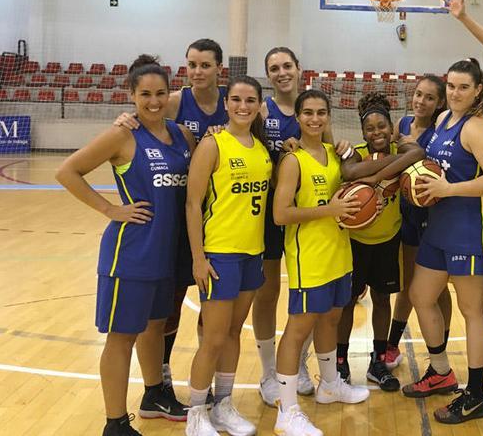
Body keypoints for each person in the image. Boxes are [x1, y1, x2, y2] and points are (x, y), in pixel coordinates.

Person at [56, 55, 195, 435]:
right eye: (145, 94)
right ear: (131, 95)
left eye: (161, 94)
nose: (153, 102)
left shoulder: (183, 135)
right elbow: (67, 171)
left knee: (153, 327)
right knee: (122, 337)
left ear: (171, 94)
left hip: (168, 253)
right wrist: (109, 208)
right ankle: (114, 422)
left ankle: (154, 395)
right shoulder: (123, 135)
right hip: (131, 253)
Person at [114, 38, 230, 396]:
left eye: (204, 65)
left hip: (220, 214)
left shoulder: (234, 102)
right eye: (191, 64)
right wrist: (124, 118)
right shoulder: (176, 101)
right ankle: (161, 372)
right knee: (171, 302)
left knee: (211, 305)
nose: (197, 71)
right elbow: (145, 123)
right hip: (180, 212)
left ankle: (205, 377)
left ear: (218, 69)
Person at [402, 58, 483, 426]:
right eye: (451, 86)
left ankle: (476, 394)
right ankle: (441, 371)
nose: (455, 92)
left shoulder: (477, 128)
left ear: (478, 90)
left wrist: (449, 189)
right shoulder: (444, 120)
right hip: (438, 228)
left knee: (472, 310)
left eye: (463, 87)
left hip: (468, 230)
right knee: (420, 295)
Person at [272, 90, 370, 436]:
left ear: (329, 116)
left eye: (321, 113)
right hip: (308, 258)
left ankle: (329, 385)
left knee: (331, 318)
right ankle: (287, 409)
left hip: (339, 252)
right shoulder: (293, 160)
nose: (315, 119)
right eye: (308, 113)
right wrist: (329, 210)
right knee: (298, 329)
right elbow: (281, 214)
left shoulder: (334, 154)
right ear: (298, 118)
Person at [254, 46, 347, 405]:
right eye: (274, 67)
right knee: (267, 293)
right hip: (268, 210)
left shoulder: (314, 110)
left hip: (309, 219)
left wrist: (339, 145)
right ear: (268, 74)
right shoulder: (262, 110)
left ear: (298, 69)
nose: (281, 72)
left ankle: (302, 367)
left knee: (311, 299)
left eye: (286, 65)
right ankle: (268, 372)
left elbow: (327, 157)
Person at [184, 76, 272, 436]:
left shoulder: (262, 148)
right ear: (226, 103)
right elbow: (192, 203)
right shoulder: (212, 145)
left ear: (258, 106)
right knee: (215, 337)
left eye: (250, 100)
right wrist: (198, 257)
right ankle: (195, 413)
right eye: (236, 99)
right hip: (220, 254)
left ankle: (222, 404)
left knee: (235, 332)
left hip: (253, 253)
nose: (242, 106)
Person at [335, 92, 426, 390]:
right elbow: (349, 171)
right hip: (355, 241)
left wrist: (375, 179)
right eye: (370, 128)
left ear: (391, 127)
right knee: (347, 301)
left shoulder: (403, 147)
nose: (376, 132)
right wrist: (387, 169)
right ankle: (341, 360)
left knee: (382, 299)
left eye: (381, 126)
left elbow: (418, 154)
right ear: (362, 133)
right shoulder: (356, 153)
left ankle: (378, 359)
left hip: (388, 239)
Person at [385, 76, 453, 369]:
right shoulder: (401, 125)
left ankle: (441, 345)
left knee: (438, 287)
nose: (420, 101)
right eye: (418, 94)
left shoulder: (440, 131)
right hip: (403, 211)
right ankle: (391, 344)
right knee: (407, 281)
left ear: (439, 103)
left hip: (429, 213)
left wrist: (415, 148)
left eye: (429, 97)